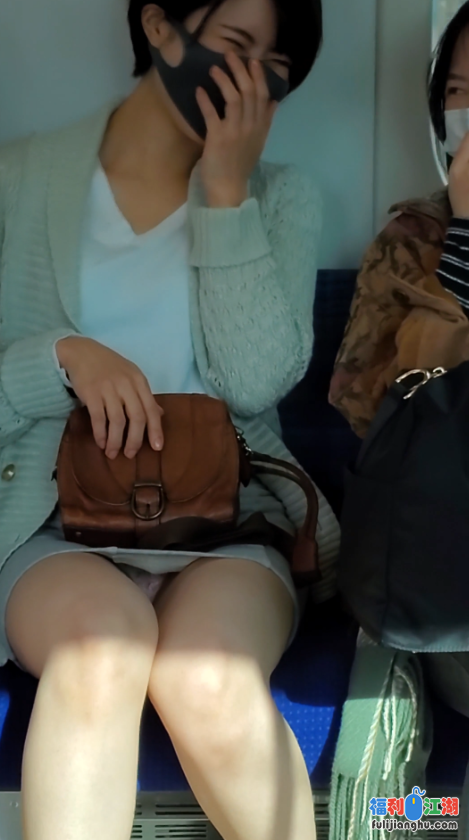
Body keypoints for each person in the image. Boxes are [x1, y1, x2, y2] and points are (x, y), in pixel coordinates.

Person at [0, 2, 341, 839]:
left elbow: (255, 383)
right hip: (53, 526)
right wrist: (63, 359)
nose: (249, 81)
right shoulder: (18, 180)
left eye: (274, 68)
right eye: (233, 46)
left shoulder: (281, 198)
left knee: (206, 678)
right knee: (97, 653)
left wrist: (226, 195)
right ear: (159, 27)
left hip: (228, 525)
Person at [329, 4, 469, 836]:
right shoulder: (410, 238)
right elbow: (365, 413)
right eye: (457, 91)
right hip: (443, 566)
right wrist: (466, 240)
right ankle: (416, 816)